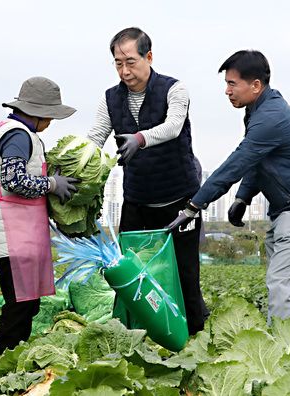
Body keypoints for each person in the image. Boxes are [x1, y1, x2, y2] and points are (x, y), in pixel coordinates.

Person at [167, 50, 290, 324]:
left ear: (255, 85)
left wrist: (195, 205)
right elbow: (258, 161)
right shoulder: (258, 111)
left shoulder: (271, 116)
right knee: (279, 281)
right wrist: (243, 198)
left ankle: (283, 352)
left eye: (232, 84)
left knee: (280, 282)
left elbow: (237, 163)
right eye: (226, 84)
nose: (227, 91)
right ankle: (285, 336)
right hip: (289, 208)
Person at [87, 27, 207, 335]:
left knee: (184, 273)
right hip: (138, 200)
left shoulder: (174, 89)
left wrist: (140, 139)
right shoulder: (111, 98)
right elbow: (95, 137)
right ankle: (131, 335)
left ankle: (194, 336)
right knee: (131, 271)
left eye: (130, 61)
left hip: (179, 200)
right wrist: (76, 166)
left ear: (148, 57)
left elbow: (173, 126)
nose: (124, 71)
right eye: (117, 63)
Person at [0, 77, 78, 353]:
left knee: (26, 302)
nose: (51, 122)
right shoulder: (18, 135)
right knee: (20, 303)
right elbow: (14, 179)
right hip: (13, 231)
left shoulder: (14, 131)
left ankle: (11, 355)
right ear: (39, 112)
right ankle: (7, 357)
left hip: (15, 230)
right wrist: (52, 184)